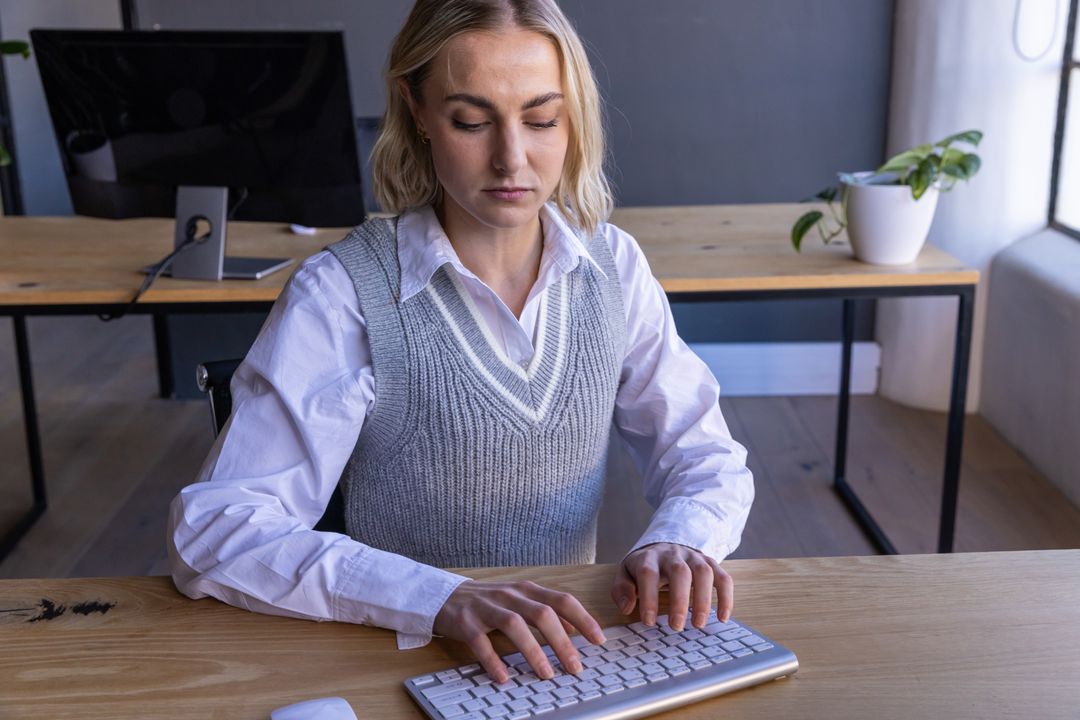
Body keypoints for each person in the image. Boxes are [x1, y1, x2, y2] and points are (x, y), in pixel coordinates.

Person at [167, 0, 753, 685]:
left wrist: (680, 540)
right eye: (471, 121)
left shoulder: (614, 267)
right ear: (415, 109)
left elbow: (706, 456)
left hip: (563, 662)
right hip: (396, 659)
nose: (512, 158)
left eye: (542, 119)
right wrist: (439, 598)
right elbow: (215, 528)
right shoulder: (342, 294)